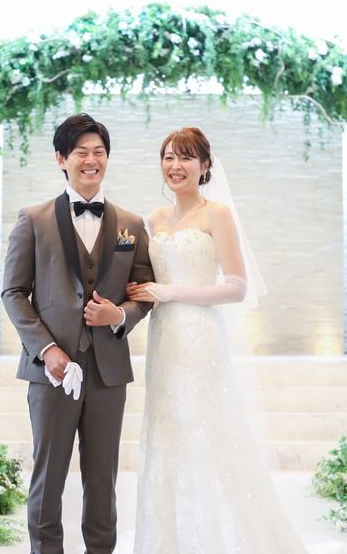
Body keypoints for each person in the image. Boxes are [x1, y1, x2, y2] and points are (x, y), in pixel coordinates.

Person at [126, 127, 305, 552]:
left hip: (199, 336)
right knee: (166, 431)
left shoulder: (217, 214)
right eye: (168, 157)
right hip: (164, 339)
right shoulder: (153, 219)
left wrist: (169, 291)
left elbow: (237, 287)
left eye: (186, 157)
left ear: (205, 165)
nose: (175, 166)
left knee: (203, 429)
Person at [2, 113, 154, 554]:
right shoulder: (33, 219)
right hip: (52, 368)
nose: (91, 160)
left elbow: (144, 292)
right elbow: (14, 292)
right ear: (61, 159)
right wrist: (46, 349)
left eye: (99, 152)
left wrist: (119, 314)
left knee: (103, 478)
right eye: (81, 152)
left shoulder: (131, 224)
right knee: (48, 476)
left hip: (109, 371)